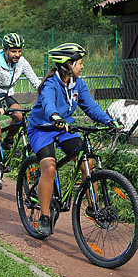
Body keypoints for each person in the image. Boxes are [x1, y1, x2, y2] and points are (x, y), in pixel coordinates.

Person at [26, 43, 119, 235]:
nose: (82, 67)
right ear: (69, 64)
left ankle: (93, 207)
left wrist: (109, 120)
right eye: (80, 63)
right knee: (49, 167)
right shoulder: (50, 84)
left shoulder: (79, 84)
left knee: (88, 161)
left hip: (65, 127)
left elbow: (91, 107)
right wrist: (55, 117)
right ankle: (44, 216)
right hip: (42, 129)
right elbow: (48, 104)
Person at [0, 33, 41, 190]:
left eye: (19, 51)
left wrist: (48, 97)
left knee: (19, 116)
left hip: (6, 95)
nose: (17, 55)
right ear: (5, 50)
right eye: (13, 51)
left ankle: (9, 141)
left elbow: (36, 82)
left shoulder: (22, 62)